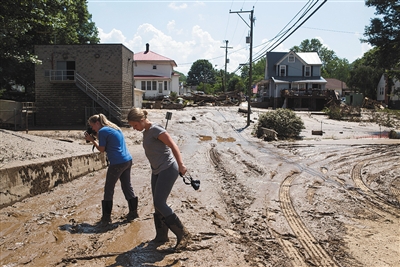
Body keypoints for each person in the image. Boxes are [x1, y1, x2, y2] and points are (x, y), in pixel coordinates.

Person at [127, 108, 190, 250]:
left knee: (160, 203)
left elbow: (173, 145)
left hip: (168, 169)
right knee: (157, 205)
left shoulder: (156, 130)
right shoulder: (147, 131)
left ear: (142, 120)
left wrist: (181, 165)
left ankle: (183, 234)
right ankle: (161, 236)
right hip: (156, 171)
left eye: (135, 125)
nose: (134, 128)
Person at [85, 113, 138, 225]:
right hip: (127, 160)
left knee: (109, 188)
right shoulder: (115, 128)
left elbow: (102, 149)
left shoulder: (103, 131)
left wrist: (92, 140)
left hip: (117, 163)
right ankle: (133, 213)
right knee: (127, 186)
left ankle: (106, 218)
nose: (92, 128)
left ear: (97, 123)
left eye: (92, 126)